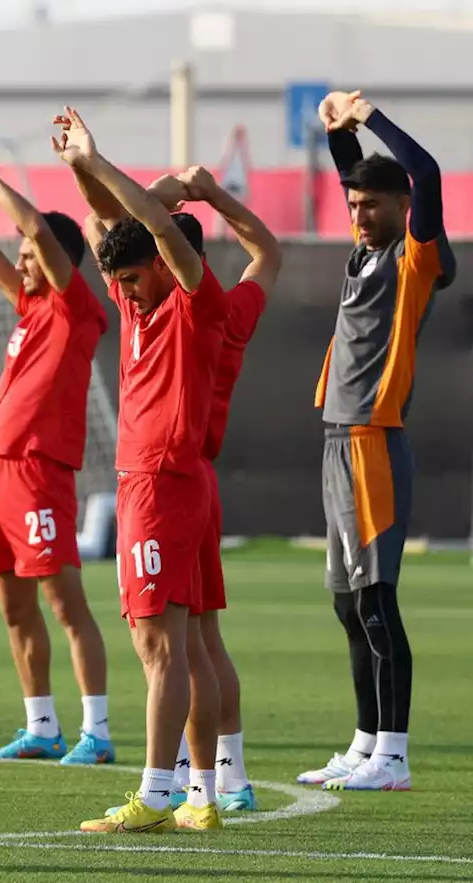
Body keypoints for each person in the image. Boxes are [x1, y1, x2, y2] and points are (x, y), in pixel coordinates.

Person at [57, 107, 228, 834]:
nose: (124, 290)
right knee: (185, 646)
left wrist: (100, 163)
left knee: (159, 646)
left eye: (132, 279)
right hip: (165, 481)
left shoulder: (191, 299)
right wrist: (79, 167)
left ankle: (157, 793)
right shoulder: (141, 305)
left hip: (159, 482)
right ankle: (201, 793)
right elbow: (117, 227)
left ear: (166, 264)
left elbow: (153, 229)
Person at [296, 90, 454, 792]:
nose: (360, 215)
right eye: (353, 206)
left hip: (373, 443)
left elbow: (426, 171)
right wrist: (337, 136)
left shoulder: (413, 257)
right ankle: (365, 741)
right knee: (344, 600)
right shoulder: (361, 256)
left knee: (377, 599)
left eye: (373, 206)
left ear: (401, 208)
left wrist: (367, 116)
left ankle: (393, 754)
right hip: (338, 438)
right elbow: (352, 176)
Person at [0, 155, 113, 765]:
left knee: (66, 604)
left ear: (62, 262)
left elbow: (35, 229)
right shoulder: (32, 306)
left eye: (34, 255)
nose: (23, 261)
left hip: (40, 471)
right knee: (14, 607)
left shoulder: (76, 308)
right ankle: (41, 727)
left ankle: (98, 731)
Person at [146, 167, 283, 813]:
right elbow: (268, 251)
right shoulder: (234, 308)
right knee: (204, 638)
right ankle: (231, 775)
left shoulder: (190, 308)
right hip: (201, 476)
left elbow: (136, 221)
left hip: (172, 476)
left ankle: (186, 775)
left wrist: (171, 190)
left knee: (172, 644)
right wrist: (213, 193)